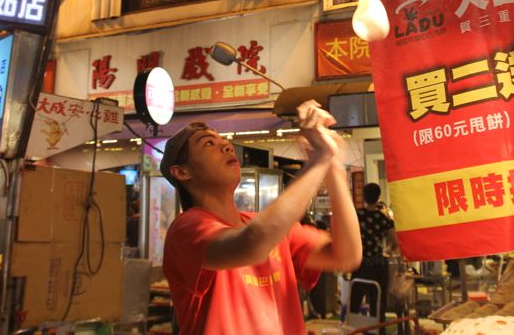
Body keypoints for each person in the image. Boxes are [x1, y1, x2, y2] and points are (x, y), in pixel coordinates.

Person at [160, 100, 361, 335]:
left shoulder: (269, 227)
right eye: (209, 143)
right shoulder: (186, 229)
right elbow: (252, 243)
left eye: (224, 141)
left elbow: (347, 255)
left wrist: (333, 166)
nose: (226, 146)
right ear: (182, 172)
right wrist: (319, 160)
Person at [349, 183, 397, 334]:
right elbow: (394, 242)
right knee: (377, 304)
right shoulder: (383, 218)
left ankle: (352, 330)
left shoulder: (357, 215)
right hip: (377, 265)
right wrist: (387, 249)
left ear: (364, 196)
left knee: (355, 302)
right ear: (378, 197)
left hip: (360, 263)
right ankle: (378, 331)